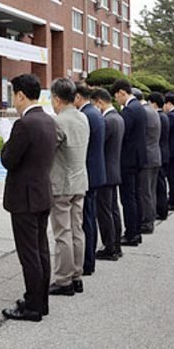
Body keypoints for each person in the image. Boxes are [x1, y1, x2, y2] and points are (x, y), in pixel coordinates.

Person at [1, 74, 57, 322]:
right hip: (42, 193)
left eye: (13, 94)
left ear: (21, 95)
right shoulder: (48, 120)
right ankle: (40, 301)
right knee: (41, 249)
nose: (13, 100)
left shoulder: (24, 124)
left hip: (24, 197)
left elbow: (8, 160)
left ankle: (33, 306)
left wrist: (6, 142)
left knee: (29, 254)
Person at [48, 79, 90, 297]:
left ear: (57, 98)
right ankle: (77, 276)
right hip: (80, 181)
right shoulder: (83, 117)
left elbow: (48, 151)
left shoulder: (58, 122)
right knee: (77, 229)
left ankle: (64, 279)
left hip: (62, 183)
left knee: (62, 232)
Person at [110, 79, 147, 247]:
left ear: (121, 93)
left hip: (128, 159)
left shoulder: (129, 110)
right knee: (136, 196)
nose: (116, 100)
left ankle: (131, 233)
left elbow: (122, 134)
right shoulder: (139, 107)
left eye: (116, 96)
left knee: (128, 198)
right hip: (138, 157)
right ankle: (136, 231)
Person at [74, 83, 105, 276]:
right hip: (96, 171)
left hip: (89, 173)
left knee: (86, 220)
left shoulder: (86, 115)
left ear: (78, 97)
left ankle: (87, 261)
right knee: (90, 217)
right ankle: (89, 258)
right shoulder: (95, 113)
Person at [90, 88, 124, 260]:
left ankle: (109, 247)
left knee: (104, 211)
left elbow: (99, 145)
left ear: (100, 102)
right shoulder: (118, 118)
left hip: (106, 171)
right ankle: (116, 245)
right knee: (113, 210)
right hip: (114, 169)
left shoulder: (107, 120)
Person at [139, 94, 162, 234]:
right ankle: (150, 218)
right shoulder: (153, 111)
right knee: (151, 191)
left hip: (147, 157)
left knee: (145, 192)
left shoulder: (145, 112)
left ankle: (147, 222)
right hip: (154, 155)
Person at [148, 92, 171, 220]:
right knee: (160, 183)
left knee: (159, 185)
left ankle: (161, 210)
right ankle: (162, 208)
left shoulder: (158, 117)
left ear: (154, 103)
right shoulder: (164, 116)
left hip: (160, 152)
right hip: (164, 151)